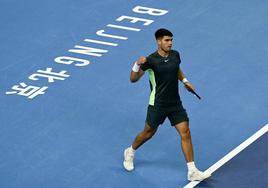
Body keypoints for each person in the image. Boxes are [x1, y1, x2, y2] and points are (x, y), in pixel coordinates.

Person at [123, 28, 211, 181]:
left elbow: (176, 68)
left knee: (185, 132)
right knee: (148, 133)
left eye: (171, 40)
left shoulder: (175, 55)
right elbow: (133, 79)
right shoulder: (150, 60)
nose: (170, 43)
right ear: (158, 41)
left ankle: (192, 170)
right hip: (157, 104)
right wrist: (137, 64)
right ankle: (130, 151)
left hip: (175, 103)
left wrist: (185, 81)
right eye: (166, 40)